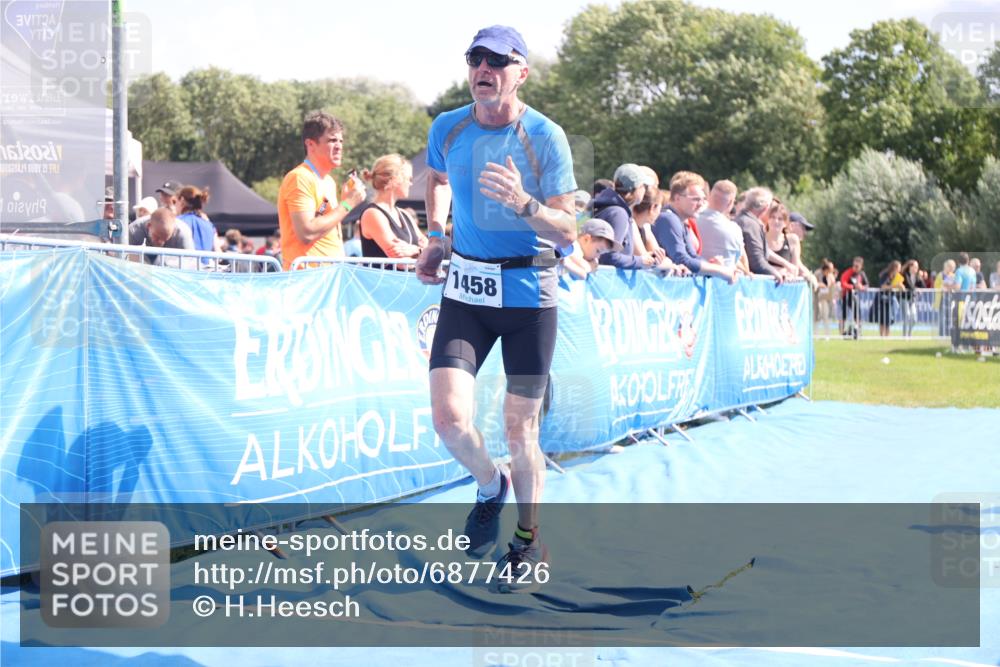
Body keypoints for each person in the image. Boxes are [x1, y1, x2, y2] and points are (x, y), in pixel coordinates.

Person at [413, 25, 578, 593]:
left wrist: (526, 203)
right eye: (476, 59)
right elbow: (437, 177)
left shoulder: (545, 137)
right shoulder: (447, 126)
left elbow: (568, 228)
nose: (485, 68)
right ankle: (490, 486)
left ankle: (529, 542)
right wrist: (437, 234)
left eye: (498, 62)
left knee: (519, 426)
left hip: (529, 297)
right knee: (449, 421)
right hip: (466, 292)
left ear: (521, 72)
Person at [277, 111, 366, 270]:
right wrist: (347, 204)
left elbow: (321, 220)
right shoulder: (299, 177)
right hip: (307, 279)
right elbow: (307, 233)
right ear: (310, 144)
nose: (339, 146)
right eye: (332, 140)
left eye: (341, 140)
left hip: (327, 276)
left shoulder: (329, 181)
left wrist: (344, 203)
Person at [653, 172, 737, 282]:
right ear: (678, 198)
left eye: (703, 199)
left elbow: (692, 256)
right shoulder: (668, 218)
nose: (701, 204)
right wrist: (721, 271)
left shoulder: (681, 220)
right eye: (696, 199)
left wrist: (716, 267)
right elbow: (681, 260)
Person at [359, 154, 427, 268]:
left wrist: (414, 251)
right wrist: (421, 252)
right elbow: (401, 263)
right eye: (409, 179)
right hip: (384, 284)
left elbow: (430, 248)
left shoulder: (405, 214)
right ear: (395, 179)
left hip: (409, 282)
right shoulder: (373, 214)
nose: (411, 183)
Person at [593, 164, 666, 271]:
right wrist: (640, 261)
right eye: (643, 187)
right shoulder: (618, 213)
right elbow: (609, 257)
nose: (644, 191)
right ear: (635, 189)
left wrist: (643, 259)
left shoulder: (614, 210)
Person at [734, 187, 783, 281]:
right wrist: (776, 274)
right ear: (766, 208)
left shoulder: (741, 220)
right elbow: (756, 261)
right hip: (749, 285)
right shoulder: (751, 225)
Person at [697, 179, 748, 271]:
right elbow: (737, 260)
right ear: (730, 202)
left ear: (709, 196)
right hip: (725, 281)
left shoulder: (691, 220)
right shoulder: (734, 230)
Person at [765, 200, 817, 287]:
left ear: (785, 223)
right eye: (773, 217)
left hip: (784, 287)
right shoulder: (760, 238)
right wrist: (779, 271)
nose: (776, 221)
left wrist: (809, 277)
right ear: (768, 220)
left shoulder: (792, 240)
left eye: (780, 219)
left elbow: (795, 267)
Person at [128, 207, 195, 267]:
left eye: (165, 239)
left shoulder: (182, 232)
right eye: (157, 237)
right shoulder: (134, 230)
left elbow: (189, 262)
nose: (161, 242)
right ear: (149, 226)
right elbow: (126, 258)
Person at [175, 185, 218, 253]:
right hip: (206, 263)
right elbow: (217, 249)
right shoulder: (209, 225)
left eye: (175, 202)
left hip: (185, 262)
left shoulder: (177, 222)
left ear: (182, 200)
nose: (175, 205)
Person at [839, 256, 868, 338]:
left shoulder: (862, 274)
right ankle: (841, 333)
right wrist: (853, 286)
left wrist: (862, 287)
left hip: (855, 297)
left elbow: (867, 284)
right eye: (854, 265)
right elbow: (843, 283)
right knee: (843, 315)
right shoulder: (848, 272)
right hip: (846, 296)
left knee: (857, 315)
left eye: (857, 266)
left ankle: (859, 331)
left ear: (861, 266)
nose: (855, 268)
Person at [872, 260, 902, 337]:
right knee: (882, 319)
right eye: (899, 268)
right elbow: (883, 286)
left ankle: (887, 336)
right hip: (881, 298)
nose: (900, 270)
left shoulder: (898, 277)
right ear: (894, 268)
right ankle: (882, 336)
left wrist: (901, 287)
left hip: (890, 299)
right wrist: (895, 286)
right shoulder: (885, 275)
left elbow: (898, 286)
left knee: (888, 319)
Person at [900, 259, 924, 337]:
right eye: (915, 267)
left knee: (914, 319)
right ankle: (904, 335)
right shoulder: (905, 274)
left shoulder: (917, 276)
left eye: (917, 267)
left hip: (912, 299)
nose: (916, 269)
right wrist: (916, 289)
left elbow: (923, 286)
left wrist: (920, 277)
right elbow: (909, 285)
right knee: (907, 316)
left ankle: (909, 334)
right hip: (904, 298)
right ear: (910, 267)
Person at [815, 259, 839, 337]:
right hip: (816, 298)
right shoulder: (817, 273)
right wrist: (819, 284)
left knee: (825, 315)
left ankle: (827, 334)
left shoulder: (830, 275)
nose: (829, 273)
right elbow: (813, 283)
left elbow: (833, 285)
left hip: (825, 298)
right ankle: (816, 334)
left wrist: (832, 284)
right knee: (816, 316)